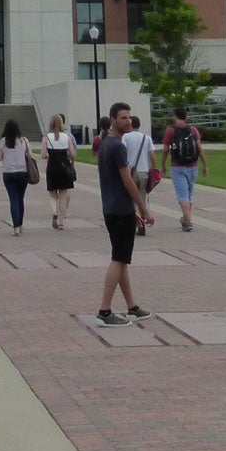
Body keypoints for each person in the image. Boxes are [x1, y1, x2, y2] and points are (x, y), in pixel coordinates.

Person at [95, 101, 153, 326]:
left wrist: (132, 211)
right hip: (119, 210)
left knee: (122, 260)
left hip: (114, 209)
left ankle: (132, 307)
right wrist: (143, 208)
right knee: (118, 259)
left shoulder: (105, 143)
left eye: (130, 117)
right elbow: (128, 181)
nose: (128, 121)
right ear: (113, 120)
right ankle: (105, 310)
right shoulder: (117, 146)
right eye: (123, 118)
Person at [158, 104, 206, 232]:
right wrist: (205, 165)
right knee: (189, 194)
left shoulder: (171, 130)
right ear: (186, 116)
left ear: (175, 116)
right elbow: (199, 148)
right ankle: (186, 219)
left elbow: (165, 149)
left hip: (177, 166)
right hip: (193, 166)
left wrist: (162, 165)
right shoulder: (193, 129)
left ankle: (188, 221)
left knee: (182, 195)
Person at [0, 119, 39, 235]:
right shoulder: (24, 140)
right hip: (22, 173)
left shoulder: (2, 141)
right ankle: (20, 224)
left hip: (8, 174)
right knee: (20, 199)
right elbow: (31, 155)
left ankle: (15, 227)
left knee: (13, 199)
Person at [119, 110, 156, 236]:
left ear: (130, 124)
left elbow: (122, 152)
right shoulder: (147, 138)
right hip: (144, 170)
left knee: (131, 198)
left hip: (130, 171)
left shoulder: (126, 137)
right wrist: (154, 169)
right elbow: (152, 155)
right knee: (142, 197)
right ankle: (143, 220)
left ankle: (137, 220)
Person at [43, 112, 77, 230]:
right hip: (64, 167)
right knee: (63, 195)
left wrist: (50, 155)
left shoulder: (46, 137)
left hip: (52, 166)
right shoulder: (66, 137)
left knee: (52, 193)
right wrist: (70, 161)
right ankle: (61, 222)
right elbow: (72, 153)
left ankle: (54, 212)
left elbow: (43, 155)